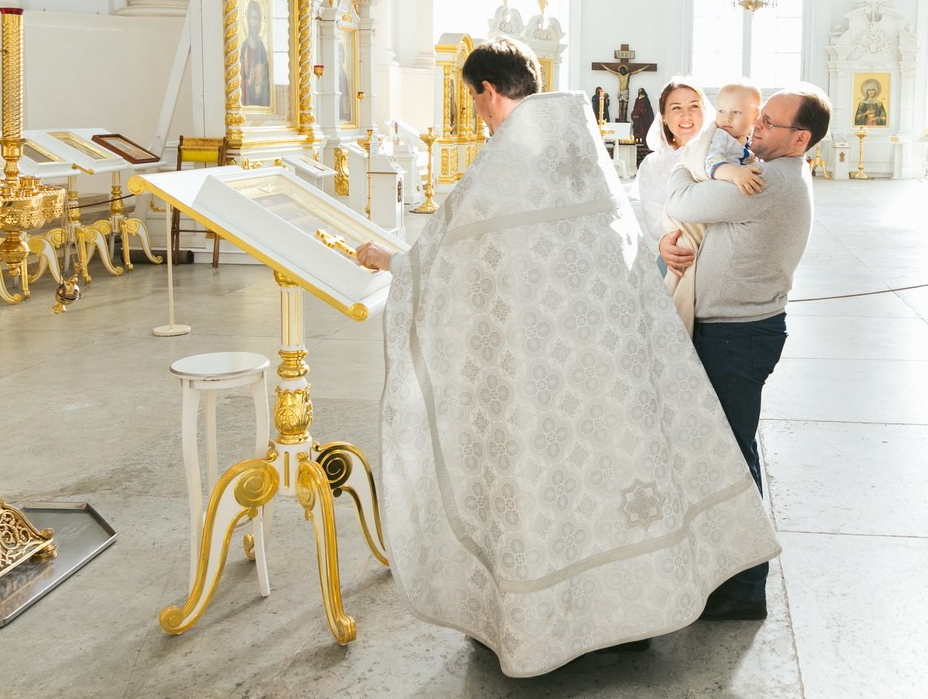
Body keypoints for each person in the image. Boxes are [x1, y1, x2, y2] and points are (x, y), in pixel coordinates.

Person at [352, 38, 779, 677]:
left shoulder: (504, 166)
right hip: (610, 363)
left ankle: (559, 622)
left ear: (486, 92)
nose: (482, 116)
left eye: (478, 103)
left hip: (539, 372)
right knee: (615, 473)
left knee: (553, 485)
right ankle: (634, 614)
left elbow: (446, 259)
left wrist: (393, 262)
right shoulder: (583, 148)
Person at [660, 83, 833, 621]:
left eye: (768, 124)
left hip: (735, 336)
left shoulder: (767, 182)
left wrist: (678, 162)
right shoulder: (775, 168)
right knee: (729, 451)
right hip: (742, 329)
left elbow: (680, 200)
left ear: (800, 137)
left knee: (732, 458)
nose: (752, 130)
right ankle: (726, 574)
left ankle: (743, 589)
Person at [663, 80, 765, 332]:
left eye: (736, 112)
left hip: (712, 225)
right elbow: (710, 162)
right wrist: (734, 174)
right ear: (664, 117)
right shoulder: (717, 138)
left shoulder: (739, 140)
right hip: (681, 233)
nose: (727, 118)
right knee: (679, 293)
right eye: (722, 111)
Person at [632, 77, 708, 250]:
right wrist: (666, 244)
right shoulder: (652, 165)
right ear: (664, 117)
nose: (686, 115)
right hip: (678, 248)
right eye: (676, 108)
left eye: (694, 106)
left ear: (704, 111)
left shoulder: (723, 155)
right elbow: (656, 220)